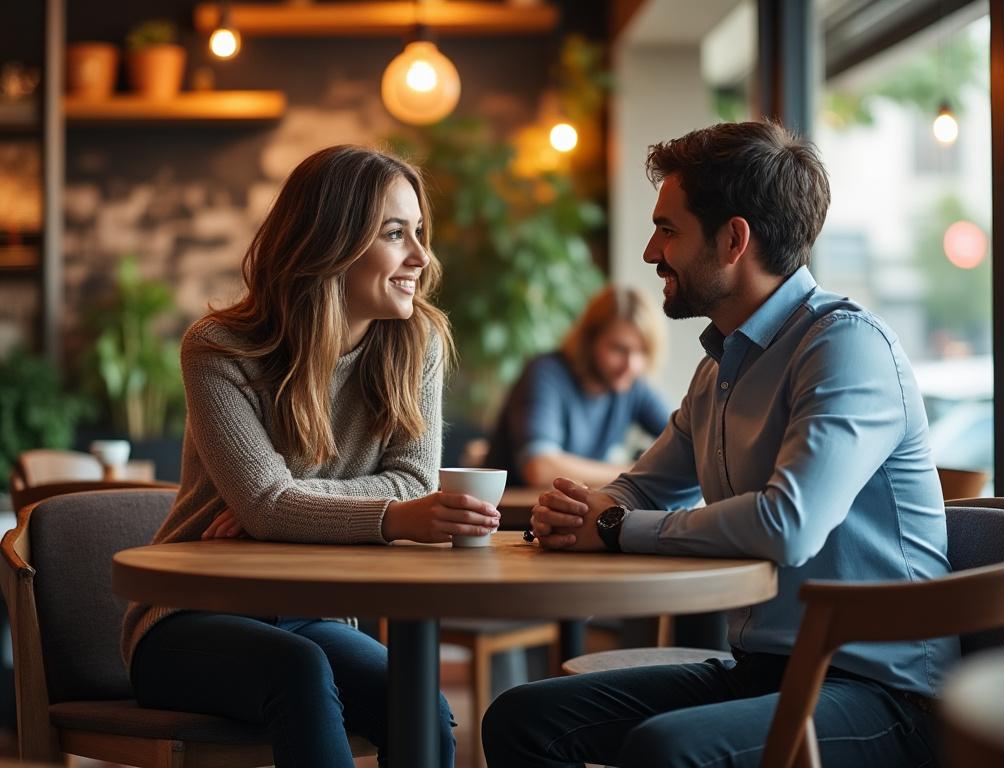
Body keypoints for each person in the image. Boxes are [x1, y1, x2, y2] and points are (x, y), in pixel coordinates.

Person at [482, 121, 958, 767]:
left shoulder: (845, 348)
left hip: (883, 694)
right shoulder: (719, 367)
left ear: (734, 239)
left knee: (663, 750)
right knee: (522, 717)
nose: (652, 251)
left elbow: (787, 524)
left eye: (668, 229)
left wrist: (618, 526)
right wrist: (579, 509)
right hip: (762, 670)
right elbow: (640, 488)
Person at [122, 146, 502, 768]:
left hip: (311, 616)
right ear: (330, 241)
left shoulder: (417, 342)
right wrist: (375, 516)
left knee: (420, 710)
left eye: (420, 233)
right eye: (394, 233)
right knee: (299, 672)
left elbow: (410, 480)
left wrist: (286, 508)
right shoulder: (220, 350)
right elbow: (276, 504)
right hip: (190, 617)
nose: (420, 256)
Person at [485, 285, 670, 489]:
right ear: (590, 340)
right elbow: (539, 468)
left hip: (568, 514)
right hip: (511, 517)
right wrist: (639, 471)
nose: (631, 365)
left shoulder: (632, 385)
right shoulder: (546, 374)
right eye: (618, 349)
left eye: (642, 352)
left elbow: (689, 437)